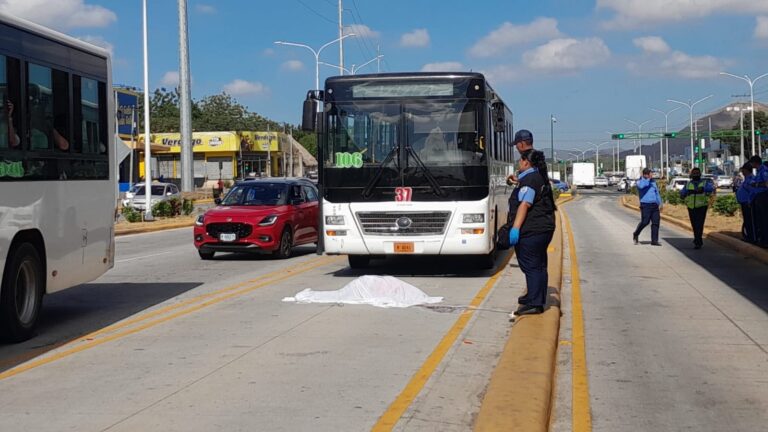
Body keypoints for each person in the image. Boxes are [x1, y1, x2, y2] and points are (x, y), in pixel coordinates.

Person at [507, 149, 556, 317]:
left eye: (520, 161)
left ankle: (535, 303)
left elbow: (524, 204)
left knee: (531, 265)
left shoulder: (529, 180)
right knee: (540, 264)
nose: (518, 163)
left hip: (533, 230)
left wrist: (515, 228)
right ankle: (535, 296)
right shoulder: (538, 176)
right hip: (544, 228)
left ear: (526, 162)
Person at [679, 167, 714, 249]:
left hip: (702, 207)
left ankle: (698, 240)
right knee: (694, 225)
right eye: (694, 173)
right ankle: (697, 239)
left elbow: (711, 189)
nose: (695, 175)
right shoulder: (688, 184)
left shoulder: (704, 183)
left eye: (697, 173)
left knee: (700, 224)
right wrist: (687, 192)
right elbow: (682, 194)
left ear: (700, 174)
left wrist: (702, 189)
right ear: (691, 174)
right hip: (691, 207)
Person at [632, 168, 663, 246]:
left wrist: (660, 203)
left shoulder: (653, 182)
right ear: (645, 174)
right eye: (649, 174)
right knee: (645, 222)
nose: (651, 175)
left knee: (656, 222)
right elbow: (642, 186)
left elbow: (657, 193)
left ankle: (654, 241)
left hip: (654, 205)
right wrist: (648, 180)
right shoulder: (640, 182)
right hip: (645, 205)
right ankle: (636, 233)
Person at [748, 156, 768, 246]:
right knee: (760, 220)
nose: (751, 165)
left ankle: (765, 241)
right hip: (759, 197)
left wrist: (755, 184)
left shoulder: (764, 171)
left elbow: (767, 183)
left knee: (764, 219)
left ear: (755, 163)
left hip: (763, 196)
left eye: (751, 163)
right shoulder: (759, 171)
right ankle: (762, 239)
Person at [736, 163, 758, 243]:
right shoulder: (746, 179)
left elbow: (753, 191)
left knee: (750, 221)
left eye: (743, 170)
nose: (742, 171)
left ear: (746, 170)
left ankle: (752, 238)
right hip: (744, 203)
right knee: (747, 221)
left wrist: (749, 201)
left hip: (748, 204)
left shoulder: (751, 179)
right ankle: (748, 236)